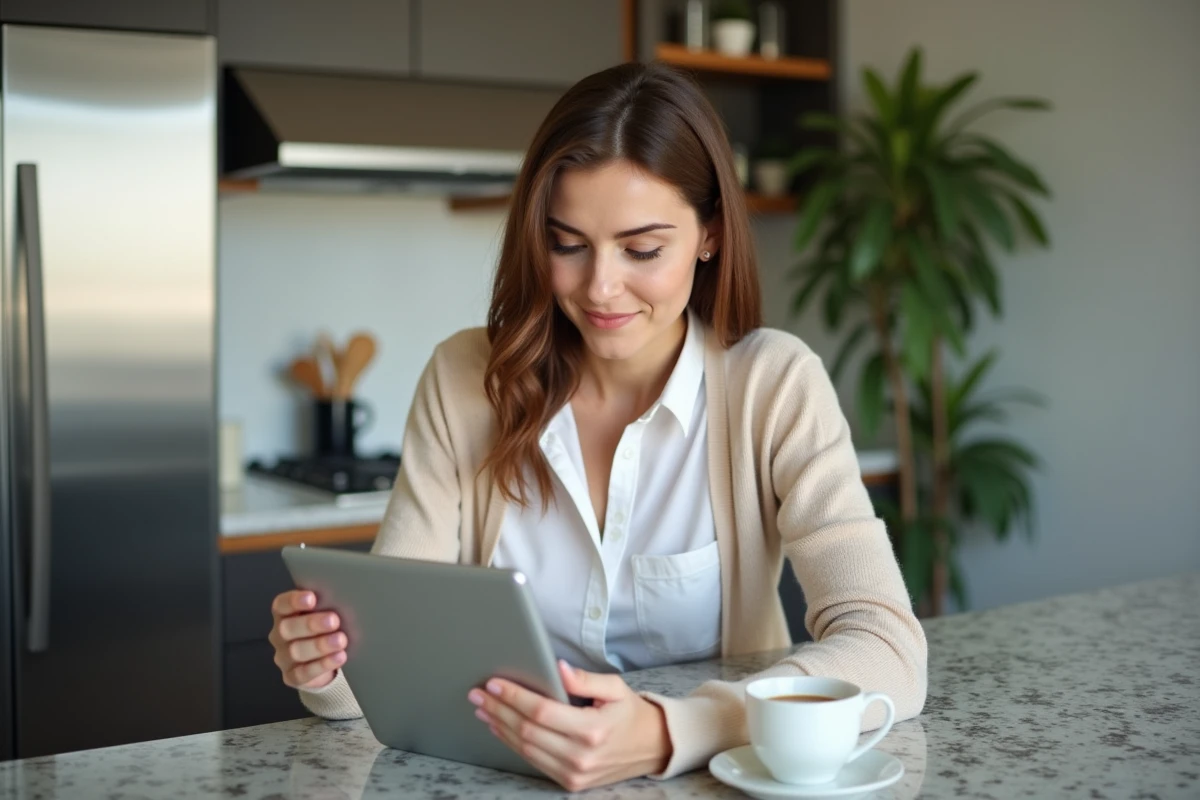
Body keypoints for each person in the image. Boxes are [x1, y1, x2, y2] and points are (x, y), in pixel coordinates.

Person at [267, 61, 927, 791]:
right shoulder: (464, 378)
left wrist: (675, 728)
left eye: (642, 250)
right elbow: (383, 665)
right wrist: (328, 663)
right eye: (567, 244)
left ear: (708, 235)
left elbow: (889, 653)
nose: (600, 287)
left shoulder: (774, 384)